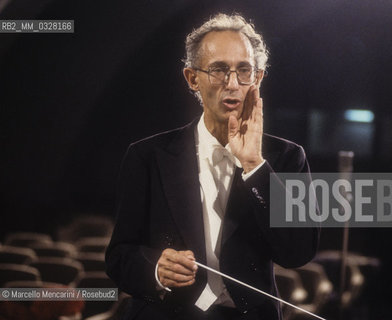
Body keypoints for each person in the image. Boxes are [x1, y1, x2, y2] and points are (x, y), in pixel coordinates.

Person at [105, 13, 319, 320]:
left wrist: (255, 166)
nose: (232, 83)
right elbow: (119, 257)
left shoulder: (287, 157)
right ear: (192, 78)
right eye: (218, 70)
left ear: (257, 79)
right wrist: (155, 268)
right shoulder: (147, 156)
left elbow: (298, 252)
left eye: (244, 70)